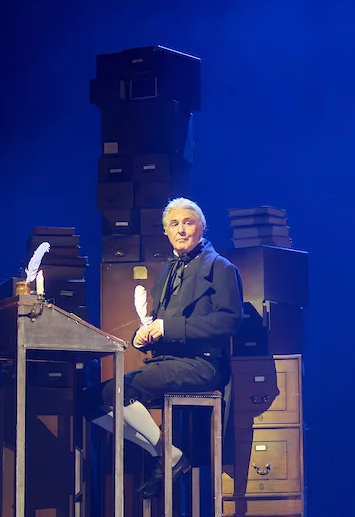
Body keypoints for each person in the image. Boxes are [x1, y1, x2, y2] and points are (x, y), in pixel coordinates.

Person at [92, 197, 243, 494]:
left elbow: (229, 322)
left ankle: (168, 456)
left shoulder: (221, 268)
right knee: (92, 400)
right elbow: (157, 322)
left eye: (188, 223)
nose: (181, 230)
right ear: (166, 232)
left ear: (202, 227)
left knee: (118, 392)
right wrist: (142, 336)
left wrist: (167, 328)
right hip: (169, 362)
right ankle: (167, 454)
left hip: (203, 364)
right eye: (174, 224)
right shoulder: (167, 273)